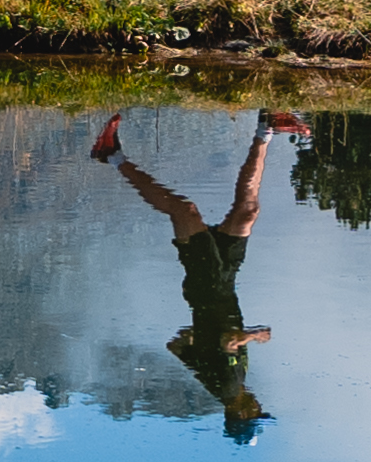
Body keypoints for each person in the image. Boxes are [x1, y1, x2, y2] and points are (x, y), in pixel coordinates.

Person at [95, 105, 299, 441]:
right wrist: (203, 330)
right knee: (246, 212)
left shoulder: (230, 386)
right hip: (221, 287)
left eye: (254, 414)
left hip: (210, 287)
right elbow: (177, 345)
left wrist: (254, 336)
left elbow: (227, 340)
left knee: (184, 211)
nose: (258, 406)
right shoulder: (220, 385)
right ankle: (266, 129)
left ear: (239, 414)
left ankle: (111, 155)